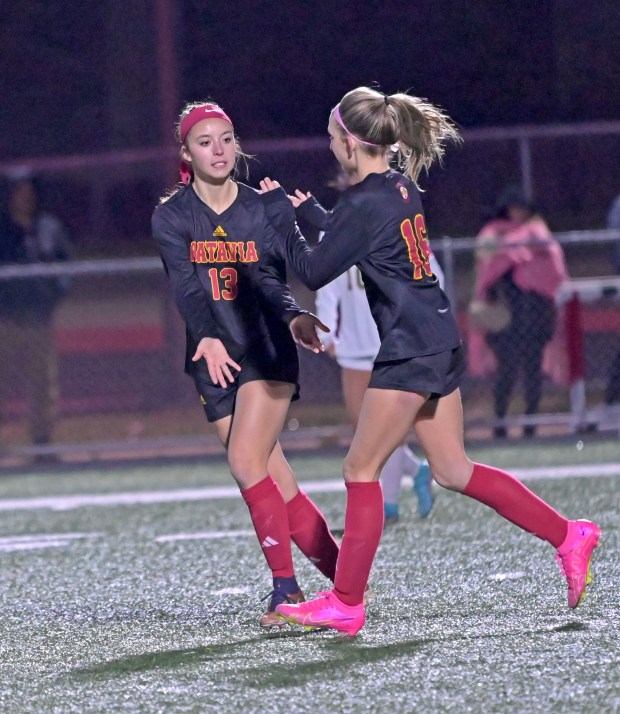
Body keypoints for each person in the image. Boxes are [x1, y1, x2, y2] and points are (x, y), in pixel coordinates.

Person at [258, 86, 601, 636]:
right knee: (453, 469)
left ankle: (346, 603)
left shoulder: (367, 200)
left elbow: (316, 268)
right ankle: (570, 535)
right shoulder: (395, 186)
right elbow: (349, 232)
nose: (329, 147)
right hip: (436, 336)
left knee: (359, 469)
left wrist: (281, 219)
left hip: (411, 347)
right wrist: (310, 212)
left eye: (331, 138)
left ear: (350, 142)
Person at [151, 101, 340, 628]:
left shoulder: (266, 207)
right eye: (206, 140)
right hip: (212, 358)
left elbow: (273, 280)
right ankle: (347, 580)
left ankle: (285, 592)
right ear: (186, 152)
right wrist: (207, 339)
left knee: (245, 464)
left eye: (227, 138)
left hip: (264, 348)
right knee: (273, 480)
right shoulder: (171, 216)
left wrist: (296, 315)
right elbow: (186, 289)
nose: (219, 149)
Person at [314, 170, 440, 522]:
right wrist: (327, 335)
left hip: (394, 340)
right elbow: (328, 285)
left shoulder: (397, 217)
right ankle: (415, 472)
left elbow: (430, 272)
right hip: (356, 346)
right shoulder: (335, 226)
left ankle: (388, 505)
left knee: (389, 429)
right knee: (365, 430)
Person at [470, 187, 568, 438]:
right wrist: (509, 254)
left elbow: (552, 268)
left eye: (522, 208)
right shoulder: (492, 235)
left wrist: (523, 254)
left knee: (533, 373)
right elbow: (487, 265)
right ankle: (500, 422)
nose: (518, 213)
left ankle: (530, 425)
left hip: (535, 315)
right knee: (506, 373)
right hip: (506, 318)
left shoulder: (538, 234)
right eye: (513, 208)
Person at [0, 174, 72, 450]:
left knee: (43, 384)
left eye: (28, 192)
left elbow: (66, 264)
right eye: (18, 192)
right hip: (5, 319)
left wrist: (53, 294)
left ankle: (42, 442)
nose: (24, 198)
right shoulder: (4, 228)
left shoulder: (48, 228)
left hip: (38, 319)